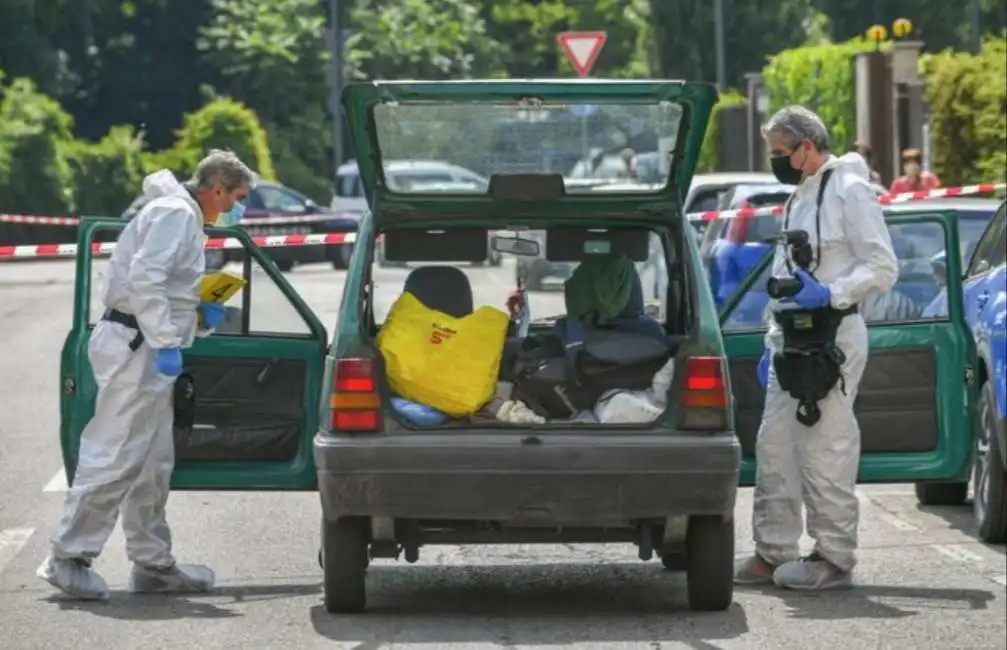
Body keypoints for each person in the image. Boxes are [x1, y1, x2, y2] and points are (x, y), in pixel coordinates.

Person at [37, 150, 257, 601]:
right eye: (237, 197)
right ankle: (68, 556)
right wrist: (165, 340)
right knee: (115, 452)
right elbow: (145, 280)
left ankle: (153, 563)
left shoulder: (181, 216)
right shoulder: (175, 215)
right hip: (139, 346)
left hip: (146, 345)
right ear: (217, 188)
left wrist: (194, 311)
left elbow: (161, 285)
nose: (239, 207)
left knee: (153, 463)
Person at [734, 106, 899, 591]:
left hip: (833, 336)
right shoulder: (799, 196)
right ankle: (772, 551)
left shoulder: (849, 190)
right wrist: (773, 334)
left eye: (782, 153)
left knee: (826, 449)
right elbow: (788, 274)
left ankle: (833, 555)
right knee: (775, 447)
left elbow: (883, 267)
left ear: (808, 145)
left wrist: (832, 294)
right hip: (792, 338)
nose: (777, 162)